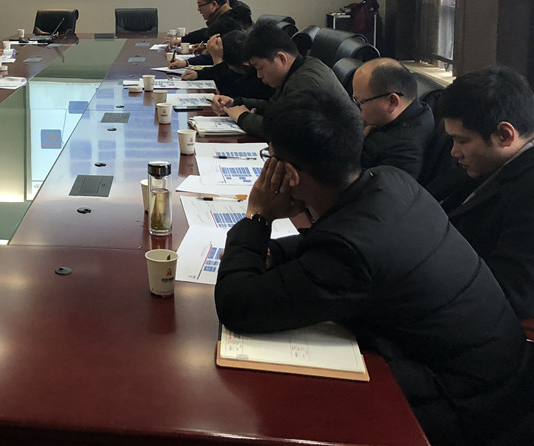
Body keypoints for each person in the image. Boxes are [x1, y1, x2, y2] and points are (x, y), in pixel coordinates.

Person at [214, 91, 534, 446]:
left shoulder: (349, 251)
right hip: (501, 371)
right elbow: (338, 243)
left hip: (468, 405)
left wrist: (257, 217)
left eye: (270, 158)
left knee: (277, 406)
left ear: (288, 173)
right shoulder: (390, 180)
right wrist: (273, 251)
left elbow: (236, 305)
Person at [431, 65, 534, 318]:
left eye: (462, 140)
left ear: (504, 135)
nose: (454, 152)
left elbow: (510, 294)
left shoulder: (528, 192)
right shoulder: (488, 162)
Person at [210, 21, 347, 139]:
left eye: (260, 67)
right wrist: (236, 102)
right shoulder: (300, 67)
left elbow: (286, 132)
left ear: (281, 58)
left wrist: (243, 117)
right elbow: (275, 107)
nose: (258, 75)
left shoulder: (306, 82)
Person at [353, 58, 433, 179]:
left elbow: (372, 188)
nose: (357, 108)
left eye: (360, 102)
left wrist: (356, 142)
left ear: (392, 102)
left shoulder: (404, 152)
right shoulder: (414, 110)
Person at [179, 31, 273, 100]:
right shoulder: (246, 56)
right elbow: (228, 71)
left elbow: (228, 93)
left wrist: (217, 60)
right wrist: (199, 74)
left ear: (245, 64)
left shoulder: (261, 76)